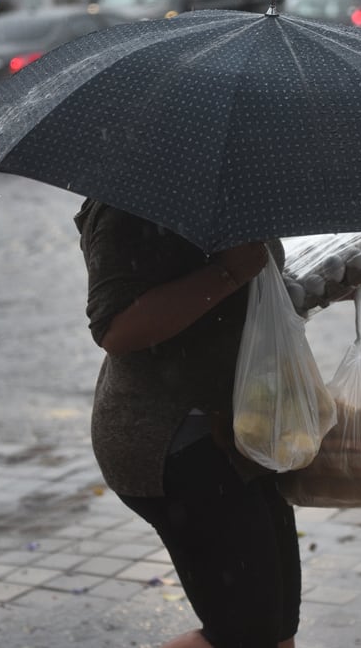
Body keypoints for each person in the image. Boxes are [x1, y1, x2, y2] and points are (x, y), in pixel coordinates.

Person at [75, 198, 301, 648]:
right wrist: (227, 273)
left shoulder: (237, 193)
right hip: (174, 442)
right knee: (243, 637)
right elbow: (116, 329)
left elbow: (245, 302)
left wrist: (321, 282)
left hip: (242, 438)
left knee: (277, 630)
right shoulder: (128, 208)